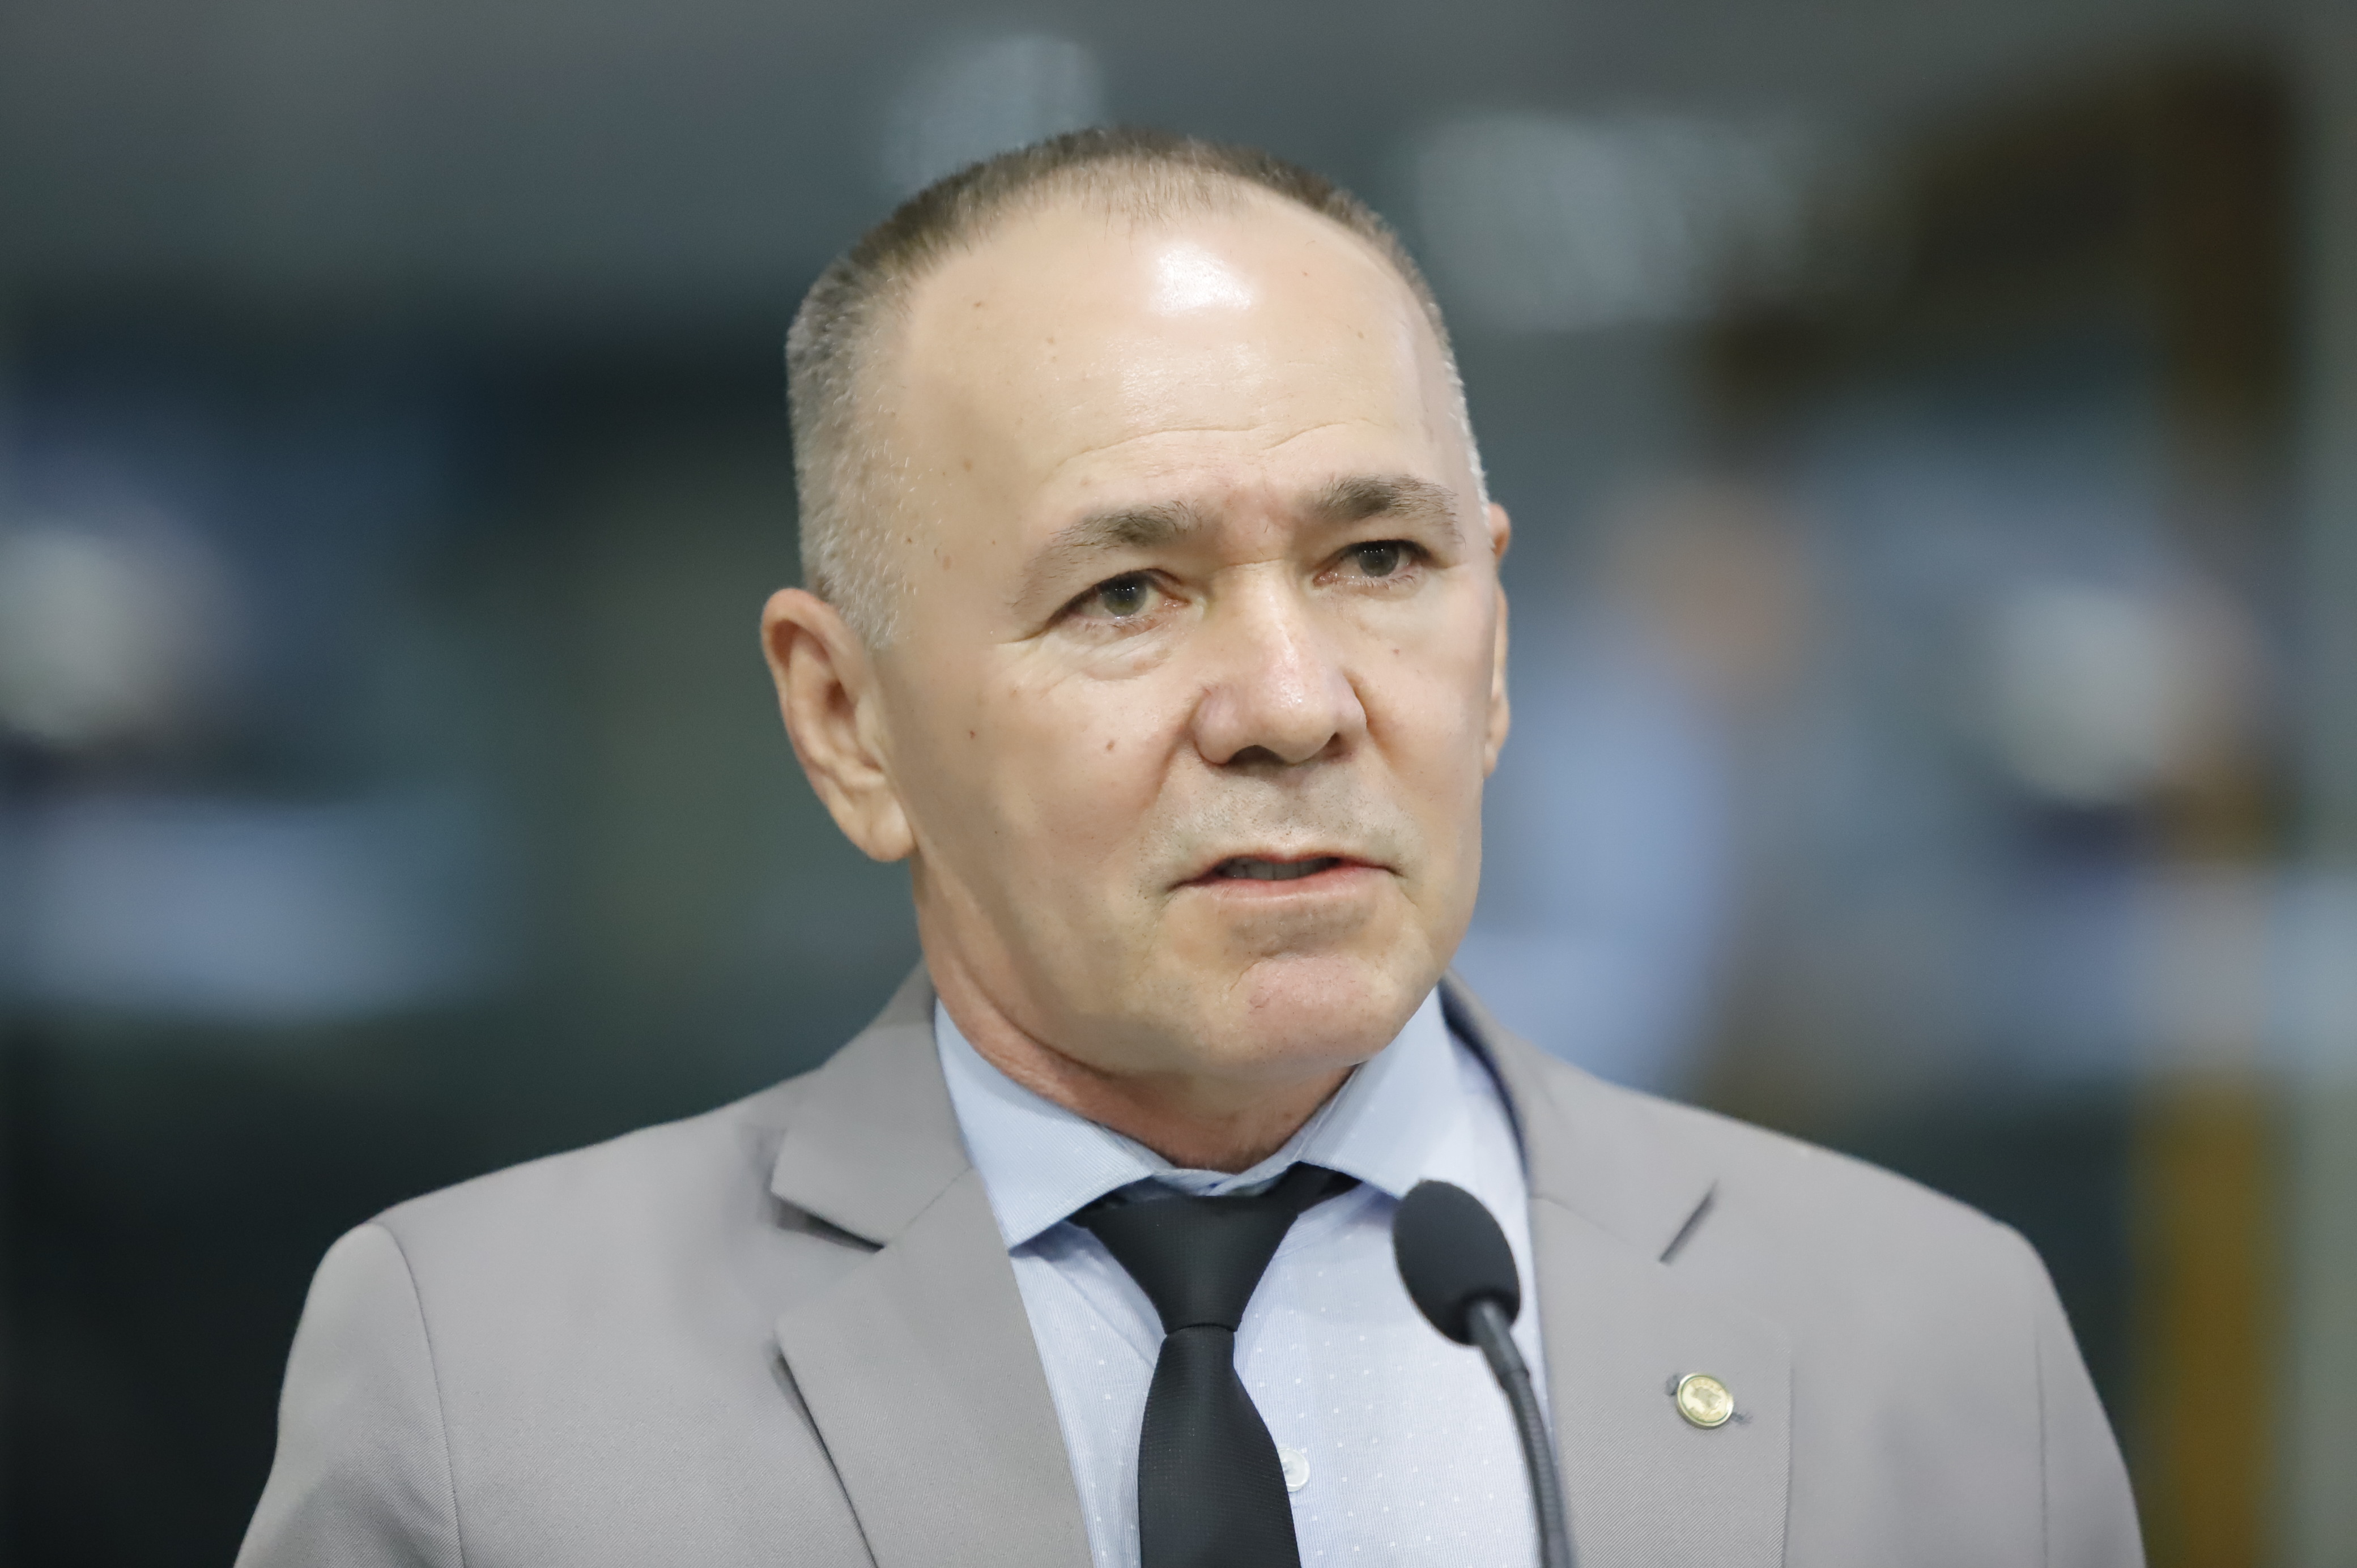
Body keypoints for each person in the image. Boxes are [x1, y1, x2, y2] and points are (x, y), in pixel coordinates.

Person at [237, 129, 2142, 1568]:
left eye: (1377, 560)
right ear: (846, 720)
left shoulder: (1930, 1343)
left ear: (1494, 647)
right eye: (1128, 593)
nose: (1294, 705)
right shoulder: (480, 1377)